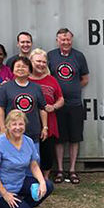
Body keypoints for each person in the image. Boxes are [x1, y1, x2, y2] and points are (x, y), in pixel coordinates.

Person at [0, 110, 53, 208]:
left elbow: (34, 165)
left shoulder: (28, 141)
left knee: (48, 186)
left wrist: (42, 183)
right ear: (7, 126)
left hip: (19, 182)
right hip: (2, 189)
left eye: (21, 124)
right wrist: (5, 194)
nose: (17, 127)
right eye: (14, 124)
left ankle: (20, 206)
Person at [48, 28, 89, 184]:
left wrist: (73, 87)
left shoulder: (79, 56)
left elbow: (85, 78)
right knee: (59, 139)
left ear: (71, 40)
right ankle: (59, 170)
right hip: (57, 105)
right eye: (62, 40)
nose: (65, 42)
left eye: (68, 39)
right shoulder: (50, 56)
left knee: (74, 138)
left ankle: (72, 170)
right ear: (57, 40)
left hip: (75, 104)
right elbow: (46, 76)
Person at [28, 48, 65, 179]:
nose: (41, 64)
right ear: (31, 61)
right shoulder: (24, 79)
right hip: (29, 122)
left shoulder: (51, 80)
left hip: (48, 121)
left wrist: (53, 107)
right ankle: (31, 177)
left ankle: (45, 178)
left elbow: (61, 99)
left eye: (44, 62)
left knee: (47, 151)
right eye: (38, 61)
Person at [0, 56, 48, 145]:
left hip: (33, 132)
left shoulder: (36, 88)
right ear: (13, 70)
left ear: (30, 70)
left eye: (24, 66)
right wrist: (2, 127)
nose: (20, 69)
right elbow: (0, 108)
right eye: (18, 66)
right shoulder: (5, 87)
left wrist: (44, 127)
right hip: (12, 132)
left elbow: (42, 108)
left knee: (33, 158)